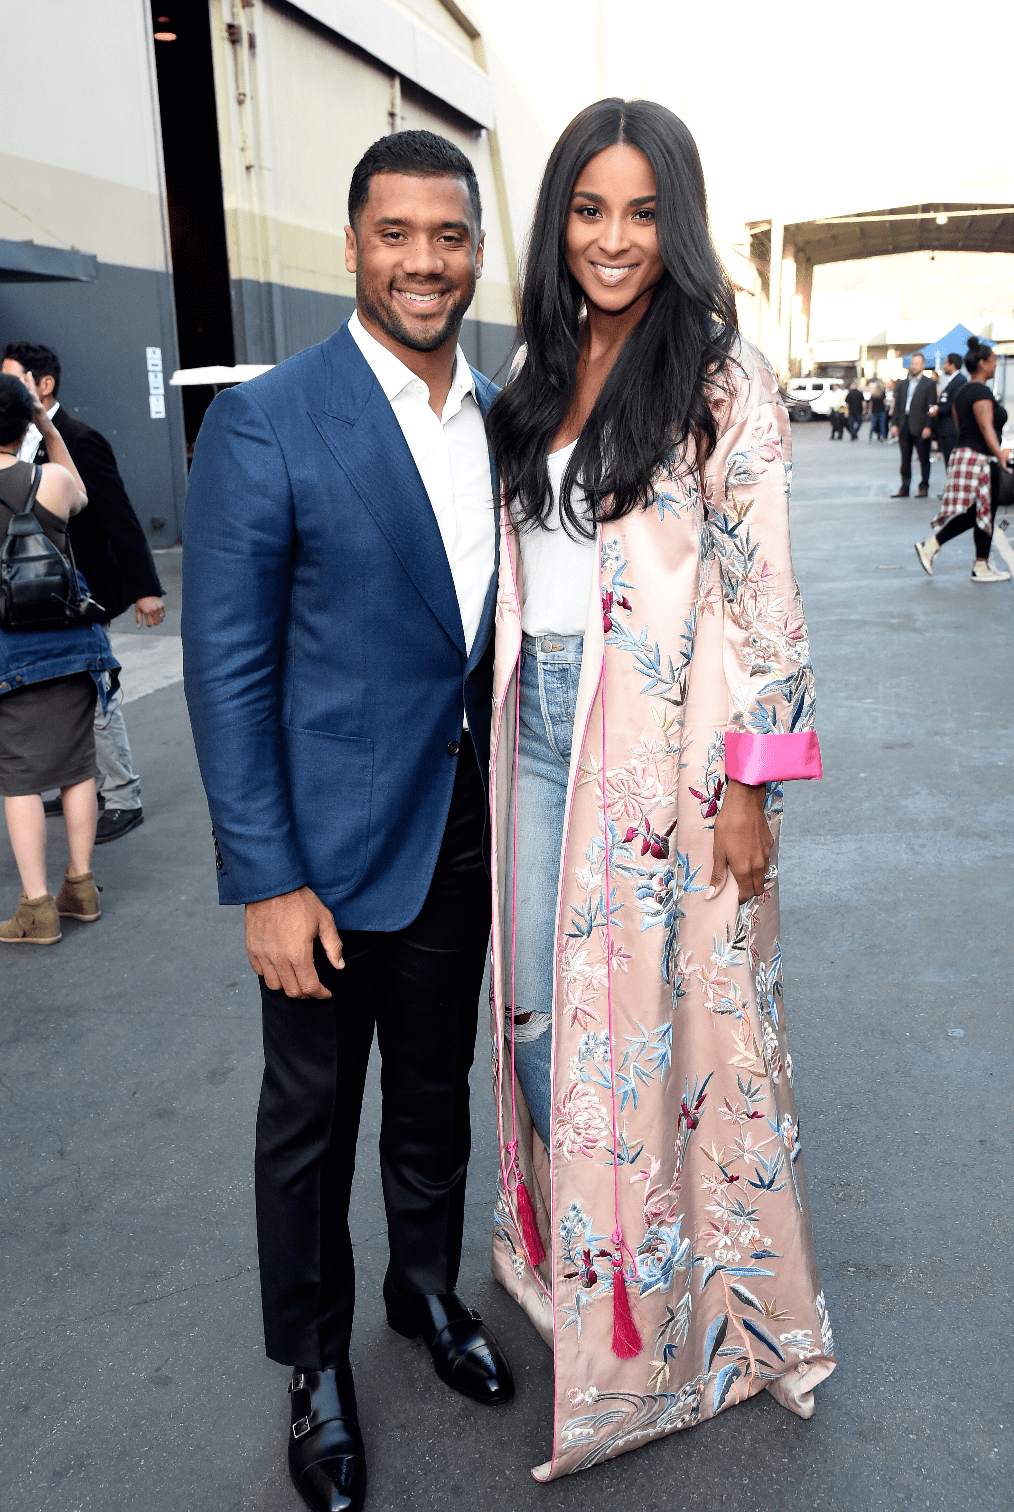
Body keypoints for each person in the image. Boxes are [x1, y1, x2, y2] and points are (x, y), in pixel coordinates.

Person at [483, 97, 834, 1482]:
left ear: (672, 219)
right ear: (558, 216)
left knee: (676, 1041)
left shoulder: (717, 375)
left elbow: (766, 599)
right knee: (529, 1020)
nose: (612, 239)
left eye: (639, 211)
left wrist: (753, 788)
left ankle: (691, 1321)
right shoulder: (533, 361)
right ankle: (595, 1268)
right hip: (534, 730)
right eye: (587, 208)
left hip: (667, 758)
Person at [181, 130, 513, 1512]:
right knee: (310, 1127)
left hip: (459, 838)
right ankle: (313, 1373)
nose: (423, 260)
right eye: (397, 234)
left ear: (474, 250)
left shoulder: (502, 416)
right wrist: (264, 877)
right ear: (352, 244)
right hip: (316, 864)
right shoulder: (268, 420)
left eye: (447, 235)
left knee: (431, 1101)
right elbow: (228, 669)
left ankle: (422, 1294)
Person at [2, 341, 166, 843]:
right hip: (31, 597)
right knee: (65, 699)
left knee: (94, 700)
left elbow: (117, 514)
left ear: (42, 385)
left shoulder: (79, 438)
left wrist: (147, 590)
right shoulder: (22, 442)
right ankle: (83, 785)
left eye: (12, 379)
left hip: (79, 594)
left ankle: (122, 796)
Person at [0, 373, 119, 943]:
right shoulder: (50, 481)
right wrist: (46, 427)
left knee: (19, 777)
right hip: (72, 645)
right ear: (24, 421)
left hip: (8, 653)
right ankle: (81, 885)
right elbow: (83, 493)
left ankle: (38, 907)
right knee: (77, 766)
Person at [914, 336, 1011, 582]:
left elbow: (960, 427)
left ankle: (937, 547)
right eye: (993, 361)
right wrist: (1000, 456)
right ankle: (979, 565)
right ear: (984, 363)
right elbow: (986, 426)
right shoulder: (980, 391)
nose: (996, 365)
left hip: (964, 454)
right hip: (980, 458)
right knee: (985, 512)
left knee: (978, 511)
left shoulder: (960, 392)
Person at [890, 351, 936, 496]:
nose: (914, 367)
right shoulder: (902, 384)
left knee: (923, 459)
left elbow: (932, 406)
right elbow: (897, 405)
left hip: (921, 426)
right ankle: (905, 486)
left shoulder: (929, 384)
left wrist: (928, 426)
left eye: (917, 364)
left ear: (922, 365)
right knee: (905, 459)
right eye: (912, 364)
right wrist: (895, 424)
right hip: (904, 425)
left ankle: (924, 486)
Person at [929, 351, 967, 470]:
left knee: (952, 464)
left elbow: (953, 404)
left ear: (952, 364)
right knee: (948, 463)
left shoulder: (960, 380)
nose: (944, 366)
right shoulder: (952, 380)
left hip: (951, 429)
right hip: (945, 429)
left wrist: (938, 410)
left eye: (946, 363)